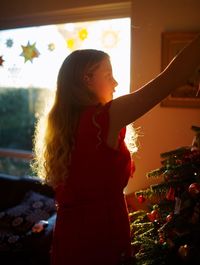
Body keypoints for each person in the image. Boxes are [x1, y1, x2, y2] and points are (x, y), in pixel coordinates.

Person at [32, 33, 200, 265]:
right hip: (101, 233)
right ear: (87, 79)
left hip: (68, 234)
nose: (116, 83)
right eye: (108, 75)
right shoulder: (101, 119)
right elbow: (170, 80)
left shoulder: (63, 124)